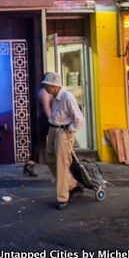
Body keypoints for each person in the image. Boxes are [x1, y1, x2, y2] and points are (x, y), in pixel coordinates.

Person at [41, 72, 84, 210]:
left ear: (54, 86)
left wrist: (68, 130)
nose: (45, 88)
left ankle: (62, 198)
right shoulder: (54, 97)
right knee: (49, 158)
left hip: (63, 132)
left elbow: (79, 118)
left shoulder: (67, 97)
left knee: (61, 164)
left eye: (46, 86)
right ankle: (71, 184)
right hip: (53, 129)